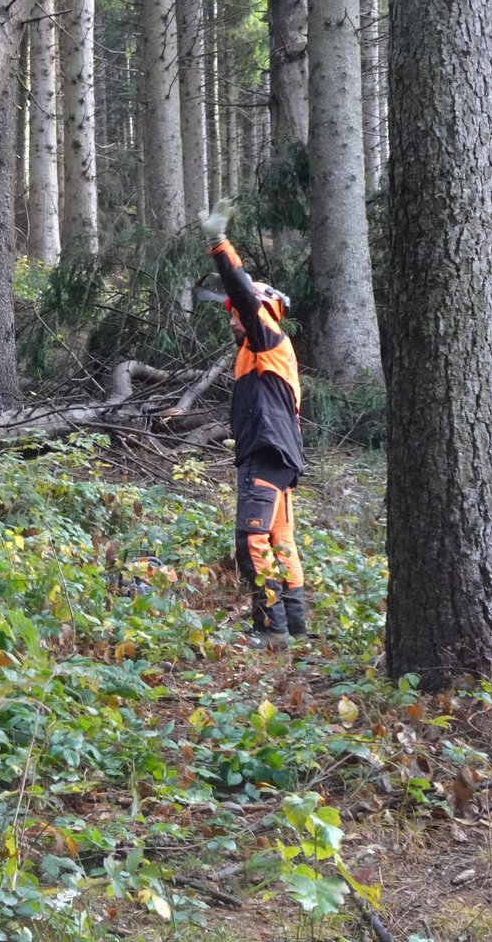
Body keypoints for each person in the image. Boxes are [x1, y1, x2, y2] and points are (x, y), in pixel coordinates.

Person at [197, 199, 306, 648]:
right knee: (280, 538)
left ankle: (270, 627)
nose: (232, 320)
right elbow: (237, 298)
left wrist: (220, 245)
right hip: (275, 452)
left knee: (251, 539)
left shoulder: (267, 337)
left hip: (267, 450)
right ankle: (295, 623)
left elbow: (242, 292)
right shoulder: (256, 351)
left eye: (237, 314)